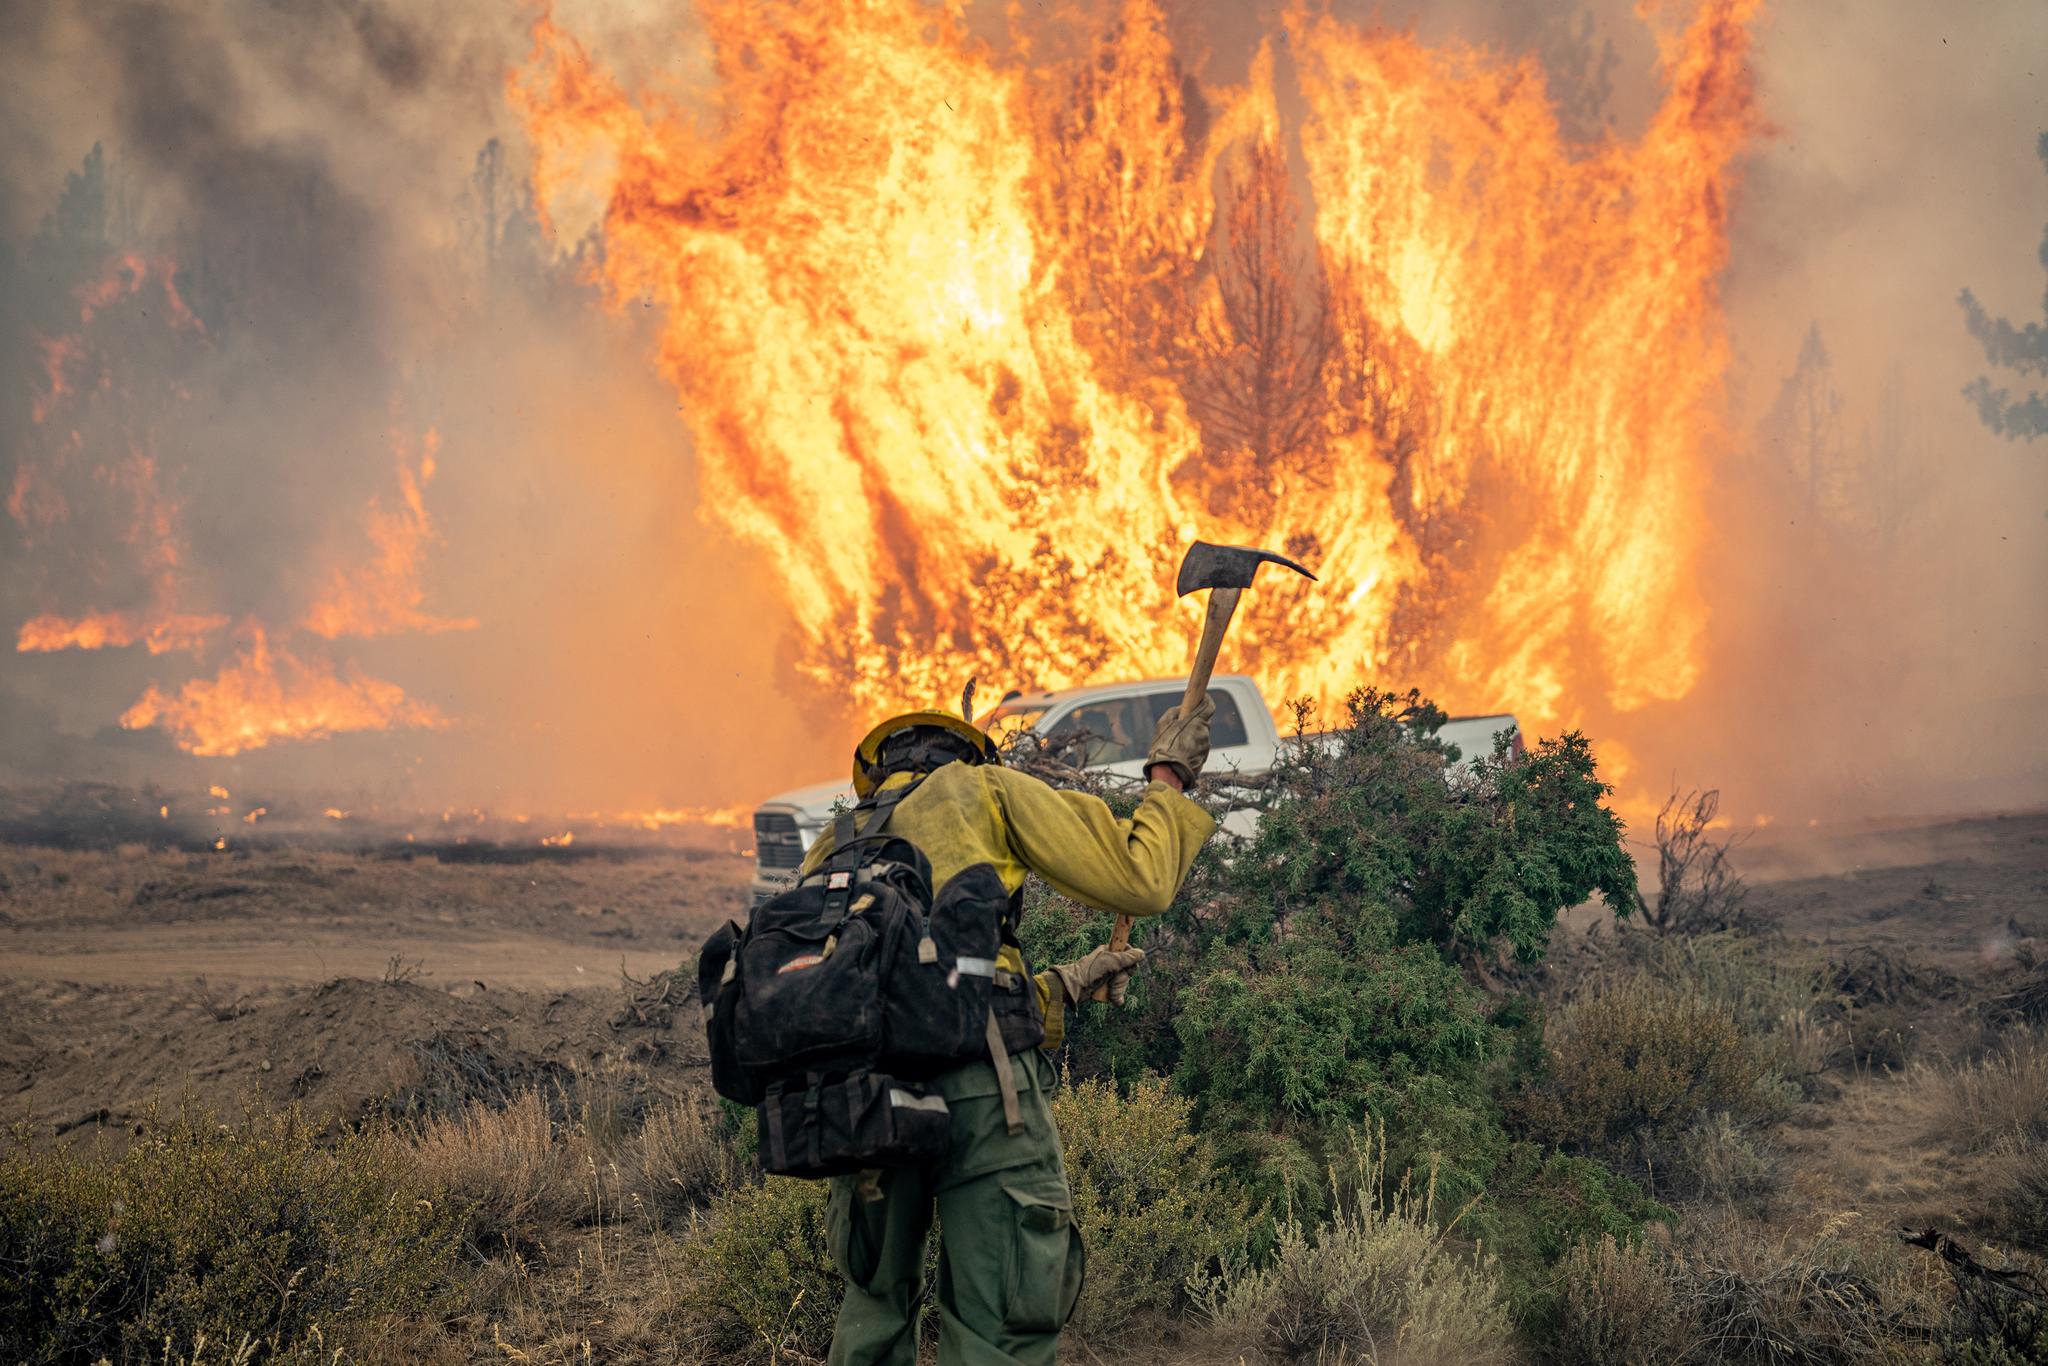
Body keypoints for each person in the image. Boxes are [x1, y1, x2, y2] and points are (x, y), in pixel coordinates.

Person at [806, 697, 1218, 1366]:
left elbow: (890, 986)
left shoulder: (836, 843)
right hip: (982, 1080)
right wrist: (1168, 780)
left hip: (863, 1097)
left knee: (873, 1313)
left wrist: (1061, 986)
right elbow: (1140, 881)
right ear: (965, 754)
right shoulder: (984, 789)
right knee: (1002, 1319)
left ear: (878, 770)